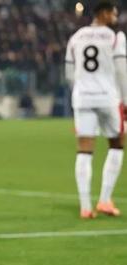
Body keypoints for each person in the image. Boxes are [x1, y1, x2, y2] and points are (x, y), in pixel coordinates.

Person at [65, 0, 127, 218]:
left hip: (82, 98)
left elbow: (69, 74)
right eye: (114, 14)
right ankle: (104, 200)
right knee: (117, 143)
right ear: (104, 13)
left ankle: (85, 207)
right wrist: (125, 101)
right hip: (108, 98)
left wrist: (80, 91)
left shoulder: (76, 37)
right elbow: (121, 71)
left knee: (84, 149)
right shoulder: (115, 37)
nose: (116, 18)